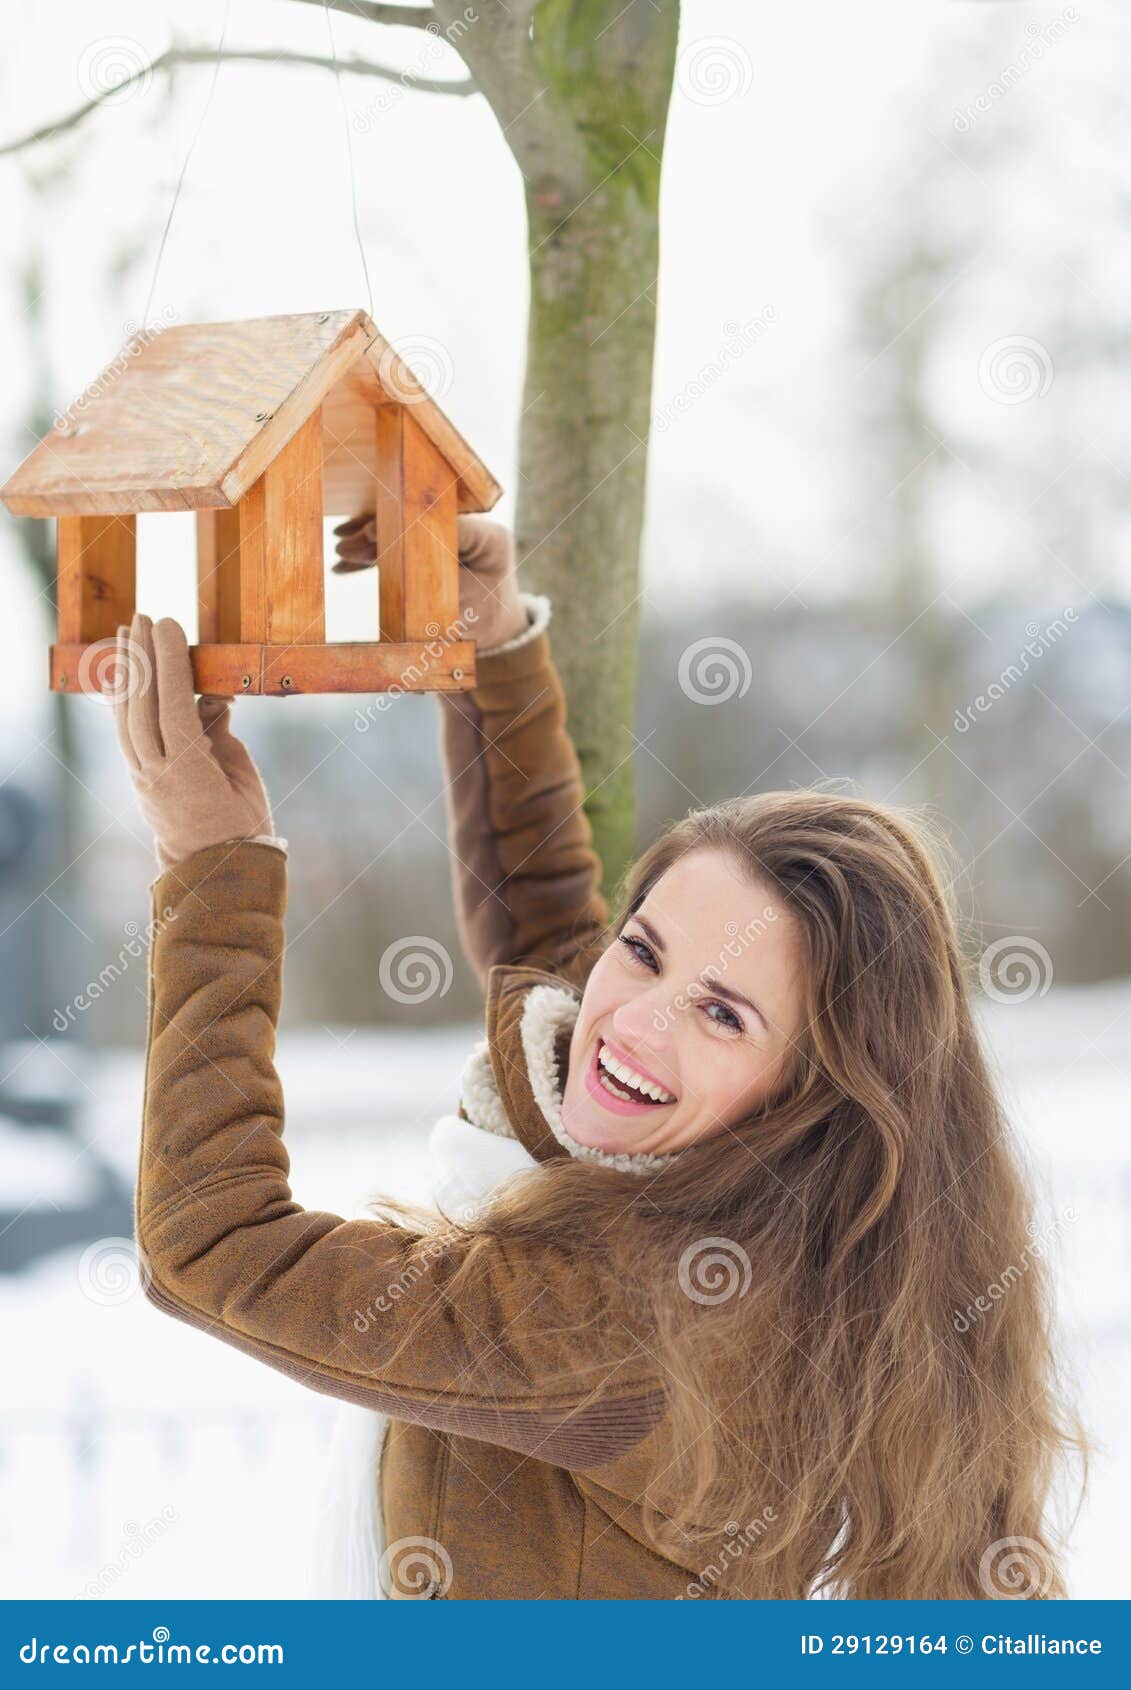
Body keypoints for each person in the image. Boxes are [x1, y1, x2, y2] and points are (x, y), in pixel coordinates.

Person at [111, 517, 1084, 1600]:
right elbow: (547, 935)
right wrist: (493, 651)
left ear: (812, 1093)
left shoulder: (645, 1319)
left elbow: (216, 1244)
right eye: (645, 949)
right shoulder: (739, 1185)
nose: (631, 1024)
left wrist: (212, 869)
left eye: (722, 1015)